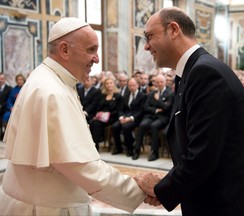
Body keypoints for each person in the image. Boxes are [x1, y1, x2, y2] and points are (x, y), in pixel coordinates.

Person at [0, 17, 156, 215]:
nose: (97, 58)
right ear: (64, 50)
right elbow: (80, 166)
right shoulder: (52, 92)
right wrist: (136, 189)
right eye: (91, 50)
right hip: (46, 208)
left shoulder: (47, 78)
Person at [135, 7, 244, 216]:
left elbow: (203, 154)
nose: (146, 46)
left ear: (173, 29)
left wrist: (161, 188)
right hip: (209, 200)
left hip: (225, 206)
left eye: (150, 36)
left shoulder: (205, 73)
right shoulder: (191, 72)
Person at [133, 74, 173, 161]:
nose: (159, 84)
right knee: (142, 125)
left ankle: (154, 152)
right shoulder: (152, 93)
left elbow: (166, 108)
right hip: (152, 115)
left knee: (154, 126)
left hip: (163, 117)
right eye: (157, 82)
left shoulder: (170, 93)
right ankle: (136, 149)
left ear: (165, 82)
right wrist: (156, 110)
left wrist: (158, 100)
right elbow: (146, 106)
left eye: (161, 82)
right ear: (155, 83)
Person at [111, 78, 146, 156]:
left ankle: (129, 148)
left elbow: (141, 111)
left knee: (126, 127)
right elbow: (121, 109)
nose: (132, 87)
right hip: (125, 117)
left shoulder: (142, 96)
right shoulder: (126, 95)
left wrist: (130, 118)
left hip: (136, 118)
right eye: (130, 85)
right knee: (115, 126)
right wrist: (121, 117)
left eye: (133, 85)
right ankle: (118, 147)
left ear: (137, 85)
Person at [0, 73, 11, 139]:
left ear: (5, 79)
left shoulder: (9, 89)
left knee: (6, 116)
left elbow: (8, 100)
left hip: (5, 109)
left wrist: (1, 106)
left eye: (2, 79)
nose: (0, 80)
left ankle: (5, 134)